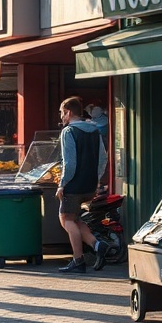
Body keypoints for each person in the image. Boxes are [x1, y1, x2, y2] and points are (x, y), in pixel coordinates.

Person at [56, 96, 108, 274]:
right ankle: (98, 245)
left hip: (74, 185)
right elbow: (103, 159)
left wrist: (62, 184)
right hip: (90, 186)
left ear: (69, 113)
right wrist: (96, 179)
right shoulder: (94, 131)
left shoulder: (69, 131)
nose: (61, 116)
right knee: (76, 219)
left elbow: (69, 163)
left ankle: (78, 260)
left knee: (66, 219)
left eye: (62, 113)